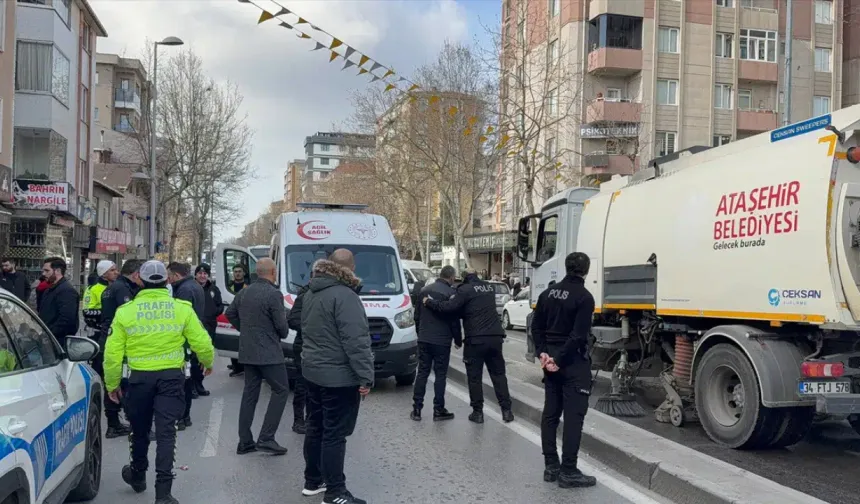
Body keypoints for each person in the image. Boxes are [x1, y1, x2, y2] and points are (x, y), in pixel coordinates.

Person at [104, 260, 214, 504]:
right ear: (167, 280)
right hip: (171, 379)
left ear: (140, 281)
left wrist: (112, 384)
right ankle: (163, 493)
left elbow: (112, 354)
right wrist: (207, 362)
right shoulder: (181, 309)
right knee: (166, 433)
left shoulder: (126, 312)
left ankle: (137, 474)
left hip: (139, 379)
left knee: (139, 430)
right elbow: (202, 341)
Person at [300, 250, 373, 504]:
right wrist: (366, 376)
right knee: (334, 434)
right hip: (339, 377)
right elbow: (356, 341)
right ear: (351, 268)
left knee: (315, 427)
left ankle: (313, 480)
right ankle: (335, 492)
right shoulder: (345, 296)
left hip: (312, 371)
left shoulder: (311, 292)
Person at [531, 252, 597, 489]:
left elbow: (536, 327)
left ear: (567, 268)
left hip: (550, 361)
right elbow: (578, 335)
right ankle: (569, 470)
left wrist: (543, 353)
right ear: (586, 270)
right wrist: (558, 359)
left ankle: (551, 466)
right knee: (573, 417)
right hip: (572, 363)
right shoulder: (584, 297)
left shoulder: (547, 293)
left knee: (550, 413)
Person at [424, 267, 514, 424]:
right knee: (499, 375)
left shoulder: (464, 290)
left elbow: (449, 308)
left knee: (474, 377)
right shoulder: (489, 287)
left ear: (464, 277)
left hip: (475, 340)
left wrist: (429, 302)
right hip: (495, 338)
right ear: (477, 275)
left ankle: (477, 413)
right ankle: (507, 411)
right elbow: (475, 306)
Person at [224, 257, 290, 455]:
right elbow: (282, 328)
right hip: (269, 353)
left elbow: (230, 313)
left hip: (248, 351)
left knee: (250, 394)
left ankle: (245, 441)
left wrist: (244, 330)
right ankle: (266, 438)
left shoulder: (244, 292)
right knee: (281, 390)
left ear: (257, 273)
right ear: (273, 273)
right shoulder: (274, 294)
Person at [93, 259, 140, 439]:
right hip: (117, 339)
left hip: (108, 337)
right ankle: (126, 424)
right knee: (123, 383)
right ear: (135, 274)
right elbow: (127, 315)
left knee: (113, 382)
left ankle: (114, 423)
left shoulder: (110, 288)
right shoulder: (122, 289)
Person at [410, 265, 461, 422]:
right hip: (442, 341)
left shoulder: (424, 290)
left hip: (425, 338)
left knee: (422, 373)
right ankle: (438, 409)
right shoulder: (451, 293)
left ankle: (417, 409)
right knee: (440, 375)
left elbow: (417, 316)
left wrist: (420, 332)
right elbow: (454, 320)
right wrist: (458, 339)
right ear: (451, 277)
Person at [166, 262, 207, 430]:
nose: (168, 279)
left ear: (176, 275)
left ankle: (182, 417)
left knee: (182, 382)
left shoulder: (184, 290)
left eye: (169, 276)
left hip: (184, 341)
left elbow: (180, 317)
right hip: (191, 338)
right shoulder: (194, 286)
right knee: (187, 380)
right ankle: (185, 416)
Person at [38, 257, 80, 349]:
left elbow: (67, 320)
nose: (43, 274)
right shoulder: (50, 289)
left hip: (58, 343)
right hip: (49, 340)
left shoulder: (66, 291)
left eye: (47, 271)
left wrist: (50, 334)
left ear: (57, 271)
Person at [287, 281, 311, 434]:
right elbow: (293, 320)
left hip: (319, 346)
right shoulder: (304, 295)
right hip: (303, 345)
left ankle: (311, 419)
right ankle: (298, 420)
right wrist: (312, 328)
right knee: (302, 385)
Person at [194, 263, 221, 398]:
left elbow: (220, 305)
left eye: (205, 273)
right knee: (194, 358)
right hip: (195, 328)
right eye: (200, 273)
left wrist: (213, 312)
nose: (202, 276)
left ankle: (199, 385)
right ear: (195, 275)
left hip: (210, 327)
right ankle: (192, 386)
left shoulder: (214, 289)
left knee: (204, 358)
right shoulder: (191, 288)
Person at [82, 260, 118, 333]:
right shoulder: (92, 289)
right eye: (112, 270)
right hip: (98, 331)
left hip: (117, 330)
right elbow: (86, 312)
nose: (116, 272)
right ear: (103, 274)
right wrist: (109, 312)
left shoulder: (119, 287)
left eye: (116, 270)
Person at [227, 264, 250, 377]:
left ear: (244, 273)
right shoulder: (229, 286)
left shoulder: (248, 286)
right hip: (233, 316)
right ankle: (235, 365)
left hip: (244, 316)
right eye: (235, 271)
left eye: (240, 271)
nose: (237, 273)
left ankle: (242, 366)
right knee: (232, 341)